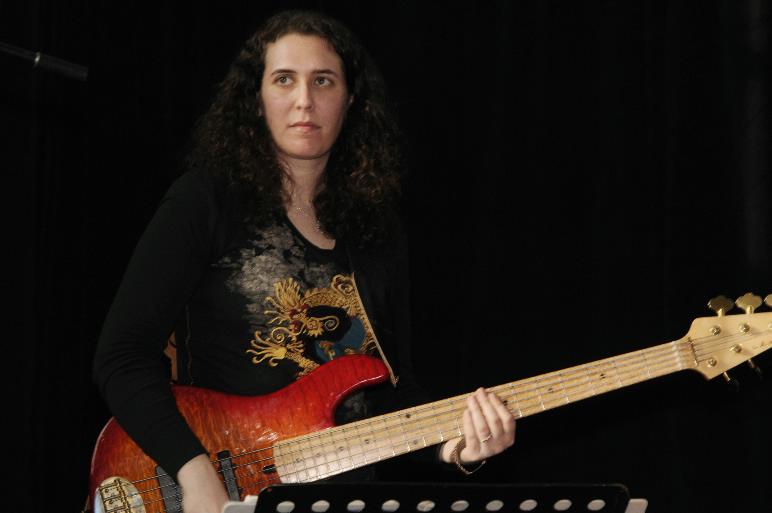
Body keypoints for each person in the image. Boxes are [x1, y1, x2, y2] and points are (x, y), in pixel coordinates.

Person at [93, 9, 515, 513]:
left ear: (351, 100)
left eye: (323, 81)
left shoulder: (376, 230)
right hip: (226, 489)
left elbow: (394, 388)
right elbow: (121, 357)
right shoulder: (206, 202)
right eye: (284, 80)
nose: (304, 101)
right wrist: (194, 470)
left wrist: (454, 447)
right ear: (256, 98)